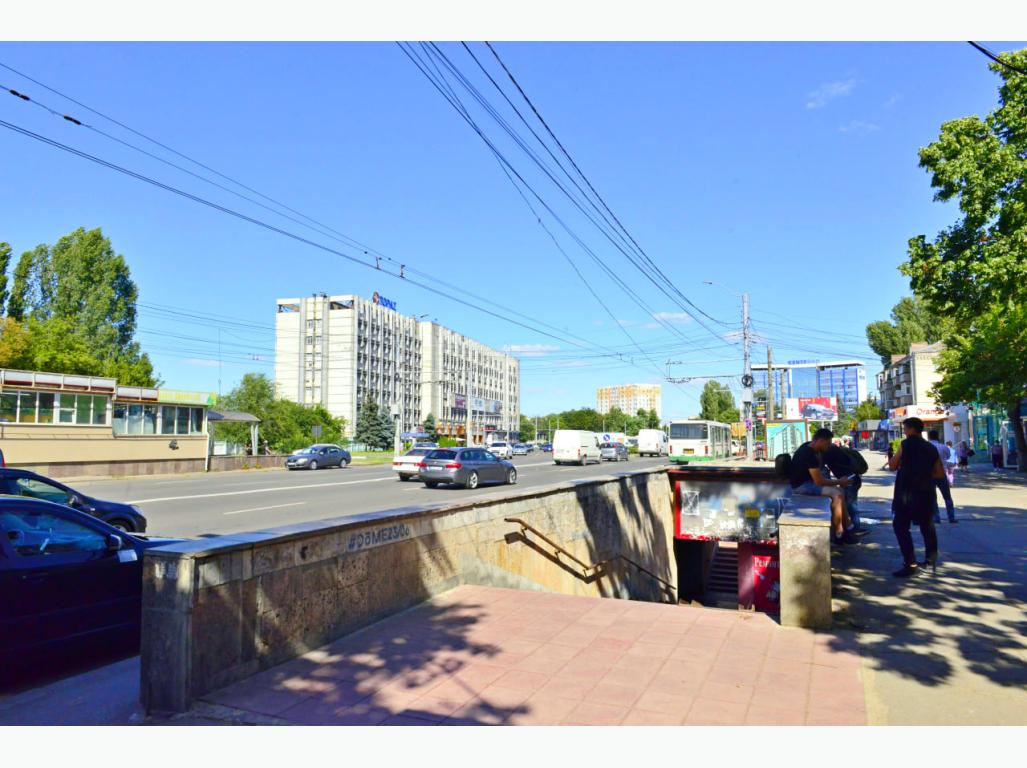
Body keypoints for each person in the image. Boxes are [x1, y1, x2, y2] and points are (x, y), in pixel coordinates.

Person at [889, 417, 944, 577]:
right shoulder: (931, 448)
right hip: (926, 492)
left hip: (906, 493)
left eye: (905, 428)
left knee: (900, 526)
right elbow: (940, 473)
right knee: (927, 527)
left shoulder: (905, 444)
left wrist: (894, 458)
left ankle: (910, 563)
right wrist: (924, 475)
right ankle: (930, 561)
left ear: (912, 429)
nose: (904, 432)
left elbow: (892, 465)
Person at [789, 428, 856, 545]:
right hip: (801, 486)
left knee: (840, 491)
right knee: (837, 494)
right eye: (827, 443)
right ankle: (840, 532)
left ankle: (847, 528)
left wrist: (838, 483)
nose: (829, 446)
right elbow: (819, 481)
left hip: (805, 482)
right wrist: (840, 481)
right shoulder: (809, 455)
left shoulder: (808, 446)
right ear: (820, 441)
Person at [823, 442, 866, 529]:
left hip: (849, 480)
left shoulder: (830, 453)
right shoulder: (839, 451)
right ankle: (853, 527)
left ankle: (855, 528)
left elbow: (820, 464)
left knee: (851, 506)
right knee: (850, 505)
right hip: (853, 478)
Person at [928, 430, 958, 524]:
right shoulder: (944, 447)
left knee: (933, 497)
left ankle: (936, 518)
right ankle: (951, 517)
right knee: (947, 497)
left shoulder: (926, 447)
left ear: (929, 437)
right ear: (938, 436)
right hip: (942, 473)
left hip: (930, 475)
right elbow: (948, 456)